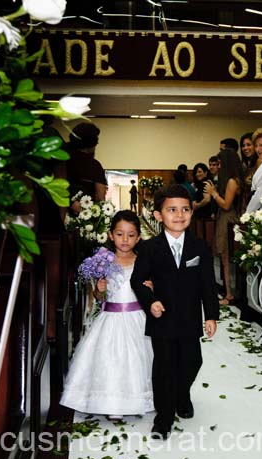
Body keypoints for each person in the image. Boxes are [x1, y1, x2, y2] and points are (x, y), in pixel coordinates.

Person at [131, 184, 219, 439]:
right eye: (172, 210)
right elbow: (137, 280)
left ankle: (182, 393)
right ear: (158, 215)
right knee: (164, 367)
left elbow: (207, 284)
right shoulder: (149, 248)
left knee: (193, 360)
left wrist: (211, 315)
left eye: (185, 209)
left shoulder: (200, 247)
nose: (179, 215)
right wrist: (150, 301)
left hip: (190, 317)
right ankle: (164, 416)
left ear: (192, 212)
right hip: (163, 318)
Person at [60, 210, 154, 419]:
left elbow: (150, 292)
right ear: (111, 235)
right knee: (111, 360)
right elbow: (100, 297)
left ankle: (137, 399)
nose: (125, 240)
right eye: (120, 234)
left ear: (138, 237)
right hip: (110, 318)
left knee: (136, 361)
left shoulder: (143, 261)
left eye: (131, 235)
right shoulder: (104, 261)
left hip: (136, 318)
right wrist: (99, 288)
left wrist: (151, 287)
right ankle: (113, 404)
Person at [203, 149, 244, 306]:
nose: (218, 166)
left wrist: (214, 193)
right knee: (224, 256)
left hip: (228, 218)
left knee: (226, 256)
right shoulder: (229, 180)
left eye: (220, 163)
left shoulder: (232, 181)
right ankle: (228, 292)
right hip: (224, 218)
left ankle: (229, 294)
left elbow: (226, 205)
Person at [65, 122, 107, 213]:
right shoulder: (94, 166)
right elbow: (100, 198)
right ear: (93, 144)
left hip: (57, 212)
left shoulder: (61, 159)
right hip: (85, 217)